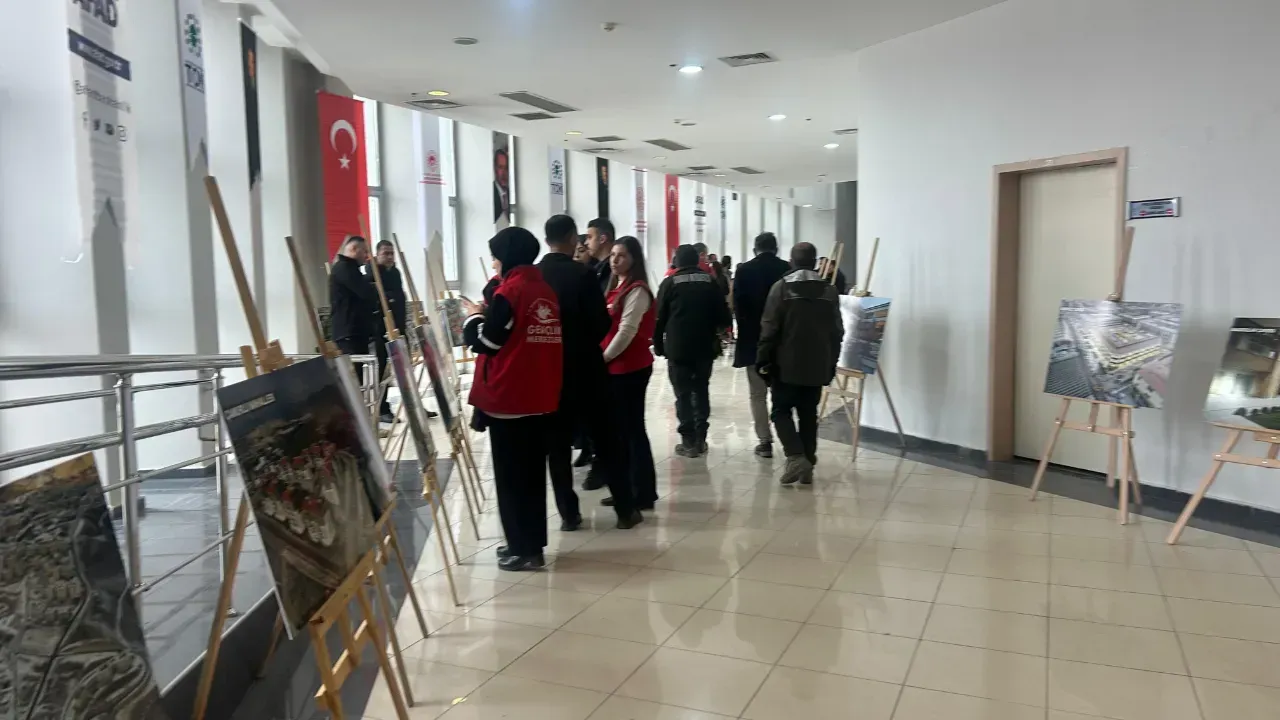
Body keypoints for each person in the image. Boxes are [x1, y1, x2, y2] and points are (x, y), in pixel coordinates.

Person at [461, 227, 563, 571]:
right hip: (539, 394)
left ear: (506, 256)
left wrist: (474, 316)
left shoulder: (511, 292)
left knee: (511, 478)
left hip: (510, 397)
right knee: (532, 476)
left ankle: (522, 548)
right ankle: (531, 544)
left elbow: (486, 342)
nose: (494, 263)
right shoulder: (543, 290)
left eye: (495, 257)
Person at [538, 215, 642, 529]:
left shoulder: (536, 276)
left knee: (557, 448)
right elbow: (601, 323)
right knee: (607, 439)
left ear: (547, 240)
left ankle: (569, 515)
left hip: (550, 372)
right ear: (573, 238)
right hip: (587, 369)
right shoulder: (582, 274)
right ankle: (625, 510)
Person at [757, 242, 844, 485]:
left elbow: (769, 327)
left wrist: (762, 358)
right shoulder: (829, 291)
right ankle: (808, 464)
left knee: (780, 411)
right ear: (815, 262)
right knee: (808, 414)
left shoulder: (781, 288)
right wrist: (832, 361)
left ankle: (795, 456)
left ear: (791, 261)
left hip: (786, 363)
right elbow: (837, 331)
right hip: (818, 363)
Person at [654, 245, 732, 457]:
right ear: (697, 261)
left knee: (683, 394)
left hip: (678, 349)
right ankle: (700, 438)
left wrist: (659, 345)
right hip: (705, 347)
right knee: (701, 390)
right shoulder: (710, 282)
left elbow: (659, 318)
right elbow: (724, 317)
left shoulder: (669, 283)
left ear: (677, 262)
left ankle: (688, 441)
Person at [600, 236, 659, 510]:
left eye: (621, 255)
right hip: (613, 368)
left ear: (634, 259)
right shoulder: (615, 288)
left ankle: (642, 492)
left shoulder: (637, 291)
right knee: (619, 432)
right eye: (612, 254)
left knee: (632, 430)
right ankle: (624, 488)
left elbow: (627, 331)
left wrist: (604, 358)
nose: (614, 260)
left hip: (630, 368)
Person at [732, 232, 792, 458]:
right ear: (776, 249)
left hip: (753, 341)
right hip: (781, 342)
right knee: (780, 393)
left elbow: (738, 307)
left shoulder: (744, 270)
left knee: (757, 394)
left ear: (754, 249)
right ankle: (787, 440)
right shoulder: (787, 269)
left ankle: (765, 442)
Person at [329, 236, 387, 417]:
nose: (366, 256)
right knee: (353, 381)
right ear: (354, 249)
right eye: (364, 252)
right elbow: (366, 292)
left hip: (357, 332)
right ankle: (356, 422)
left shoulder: (351, 269)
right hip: (348, 333)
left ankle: (362, 421)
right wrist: (375, 286)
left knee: (359, 380)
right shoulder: (344, 269)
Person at [585, 218, 616, 293]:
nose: (586, 243)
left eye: (589, 237)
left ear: (602, 239)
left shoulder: (615, 269)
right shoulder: (596, 268)